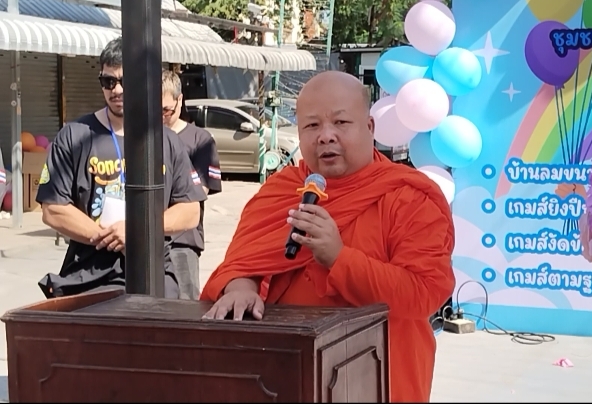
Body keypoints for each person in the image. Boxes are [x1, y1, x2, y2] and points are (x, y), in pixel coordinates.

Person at [201, 71, 456, 402]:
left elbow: (423, 293)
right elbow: (242, 262)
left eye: (341, 122)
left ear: (370, 127)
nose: (325, 136)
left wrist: (339, 258)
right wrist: (241, 288)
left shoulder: (409, 197)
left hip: (378, 377)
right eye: (311, 126)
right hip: (287, 377)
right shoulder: (279, 191)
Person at [36, 37, 207, 299]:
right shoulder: (74, 136)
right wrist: (110, 237)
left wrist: (137, 231)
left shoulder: (167, 141)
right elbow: (53, 210)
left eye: (125, 81)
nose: (116, 90)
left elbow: (190, 211)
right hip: (91, 275)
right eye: (108, 81)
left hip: (154, 273)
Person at [161, 70, 222, 300]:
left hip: (182, 240)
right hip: (145, 239)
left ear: (180, 100)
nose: (161, 116)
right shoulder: (144, 138)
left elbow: (200, 190)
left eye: (166, 110)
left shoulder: (200, 140)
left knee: (184, 304)